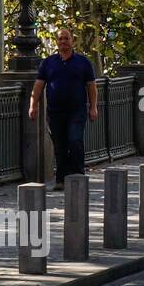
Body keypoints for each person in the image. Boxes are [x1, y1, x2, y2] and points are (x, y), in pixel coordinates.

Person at [29, 28, 97, 191]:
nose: (63, 42)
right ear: (56, 42)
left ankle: (78, 176)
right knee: (59, 145)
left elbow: (91, 86)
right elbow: (39, 85)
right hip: (55, 112)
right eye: (60, 39)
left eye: (66, 39)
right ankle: (61, 179)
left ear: (72, 41)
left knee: (74, 141)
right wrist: (33, 104)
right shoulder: (48, 62)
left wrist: (93, 107)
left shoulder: (83, 62)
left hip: (77, 110)